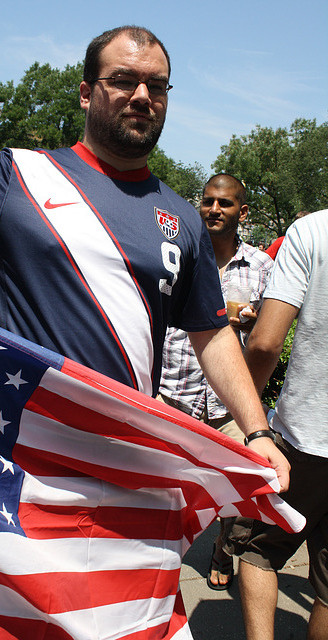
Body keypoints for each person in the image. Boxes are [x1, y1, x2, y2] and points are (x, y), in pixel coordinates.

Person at [0, 26, 288, 484]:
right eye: (124, 80)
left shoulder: (184, 219)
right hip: (19, 465)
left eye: (158, 85)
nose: (143, 95)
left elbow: (212, 332)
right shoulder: (17, 175)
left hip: (127, 465)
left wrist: (257, 429)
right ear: (87, 93)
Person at [159, 174, 274, 589]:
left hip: (229, 405)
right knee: (164, 491)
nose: (214, 210)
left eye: (224, 204)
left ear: (242, 211)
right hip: (174, 394)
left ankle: (224, 548)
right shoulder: (178, 256)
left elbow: (271, 331)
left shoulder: (263, 267)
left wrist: (255, 319)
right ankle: (158, 563)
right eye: (208, 201)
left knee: (241, 494)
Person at [224, 209, 328, 640]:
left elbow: (266, 342)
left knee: (259, 549)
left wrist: (247, 414)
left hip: (305, 435)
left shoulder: (314, 230)